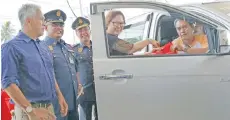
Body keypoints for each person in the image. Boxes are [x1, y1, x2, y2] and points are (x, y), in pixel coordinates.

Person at [1, 4, 68, 120]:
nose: (44, 23)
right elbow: (8, 83)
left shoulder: (43, 46)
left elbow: (51, 73)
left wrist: (60, 96)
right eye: (41, 19)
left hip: (49, 108)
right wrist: (30, 111)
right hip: (28, 112)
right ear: (29, 21)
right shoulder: (11, 47)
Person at [43, 9, 79, 120]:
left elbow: (75, 68)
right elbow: (47, 76)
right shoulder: (42, 48)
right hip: (56, 105)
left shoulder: (67, 47)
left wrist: (79, 83)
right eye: (54, 24)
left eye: (61, 25)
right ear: (45, 27)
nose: (59, 28)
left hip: (73, 102)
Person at [72, 17, 98, 120]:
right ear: (76, 33)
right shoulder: (74, 50)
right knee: (85, 117)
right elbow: (73, 71)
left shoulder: (99, 47)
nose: (83, 33)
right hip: (84, 92)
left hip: (101, 89)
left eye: (85, 29)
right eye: (80, 30)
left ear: (90, 30)